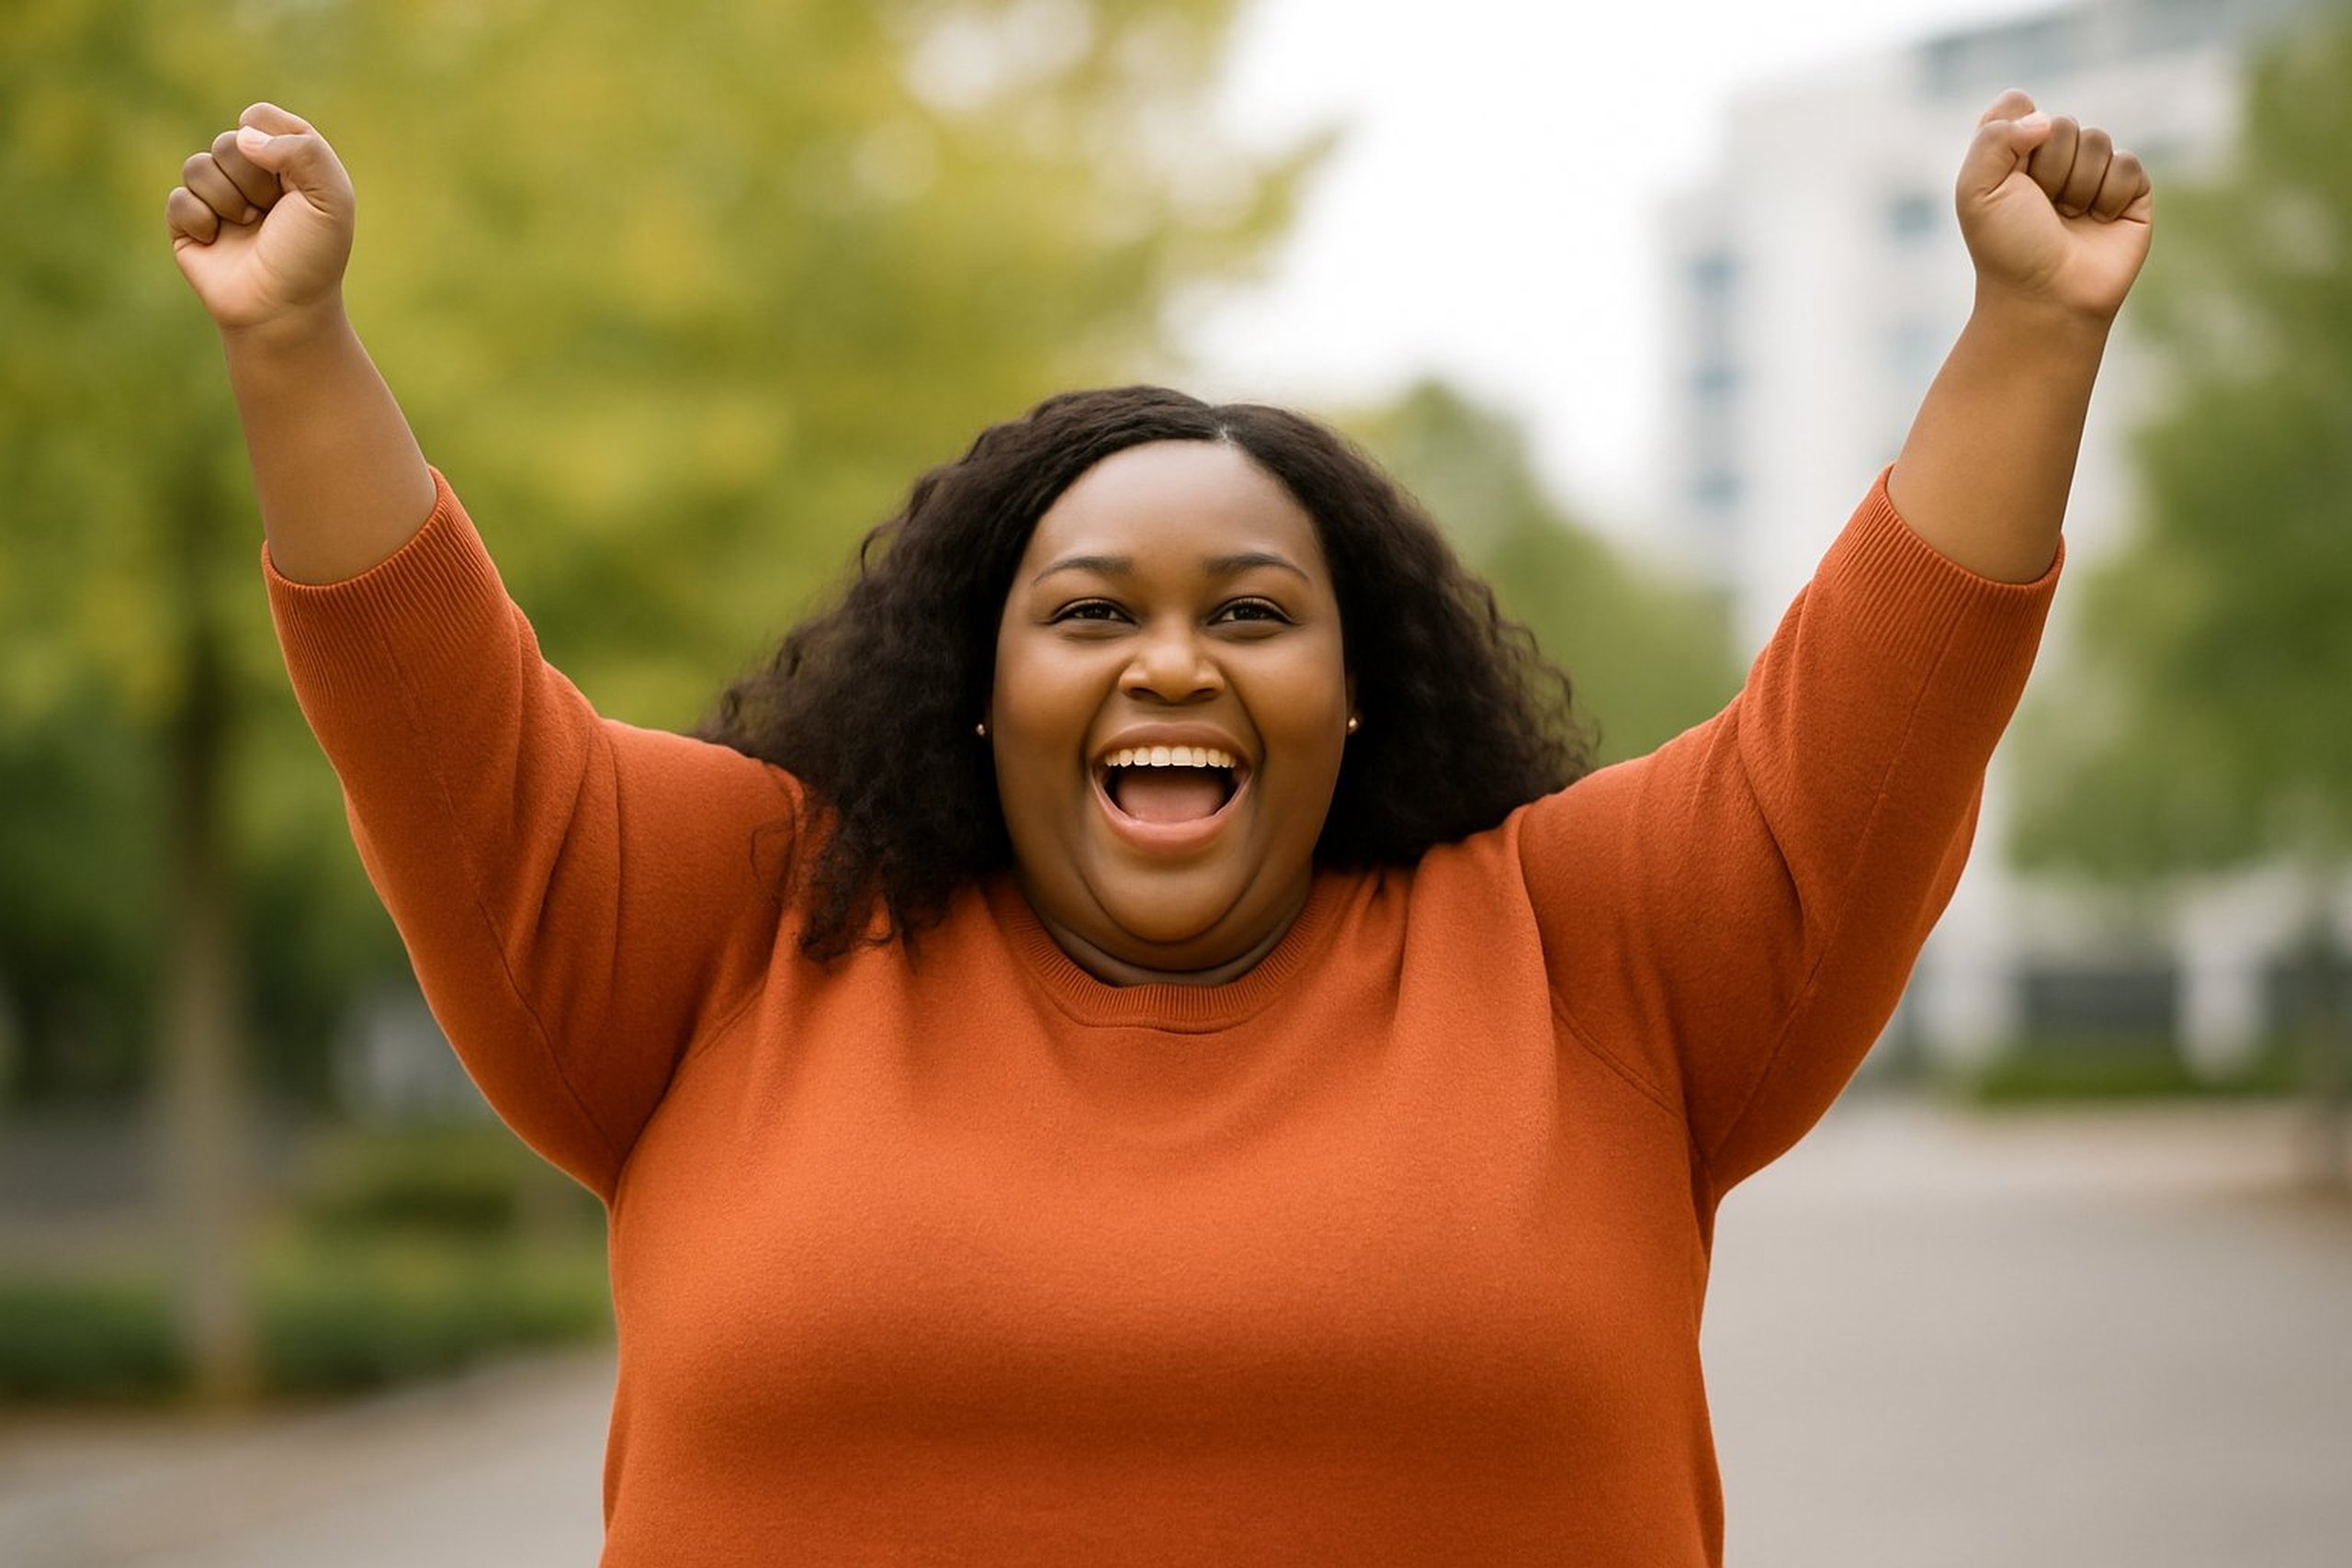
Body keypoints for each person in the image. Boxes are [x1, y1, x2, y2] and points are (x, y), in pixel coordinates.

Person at [167, 88, 2151, 1566]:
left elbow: (1875, 713)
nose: (1171, 662)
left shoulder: (1592, 950)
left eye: (1252, 613)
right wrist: (292, 340)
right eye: (1093, 611)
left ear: (1353, 692)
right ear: (981, 679)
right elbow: (445, 721)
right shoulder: (731, 928)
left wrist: (2030, 330)